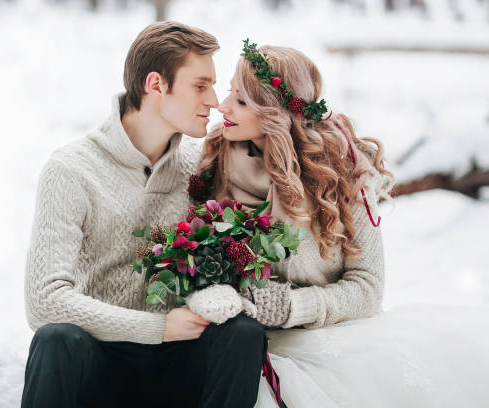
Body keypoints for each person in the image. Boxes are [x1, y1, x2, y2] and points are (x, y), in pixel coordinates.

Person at [197, 41, 489, 407]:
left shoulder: (342, 175)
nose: (223, 107)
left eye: (240, 101)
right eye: (230, 93)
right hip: (239, 345)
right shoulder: (214, 163)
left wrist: (294, 306)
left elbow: (368, 287)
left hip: (327, 344)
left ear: (275, 113)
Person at [21, 23, 266, 408]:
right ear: (156, 84)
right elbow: (44, 301)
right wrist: (158, 328)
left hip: (178, 364)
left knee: (244, 334)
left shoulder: (198, 166)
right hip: (100, 362)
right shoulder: (71, 170)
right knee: (56, 339)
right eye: (200, 86)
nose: (215, 101)